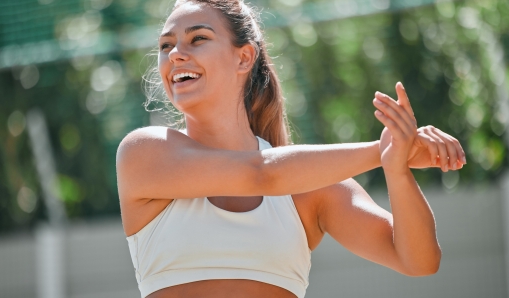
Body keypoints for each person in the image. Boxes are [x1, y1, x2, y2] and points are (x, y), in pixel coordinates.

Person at [116, 1, 466, 297]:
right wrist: (384, 150)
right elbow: (261, 173)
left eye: (198, 38)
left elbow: (418, 261)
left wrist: (397, 169)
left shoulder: (312, 184)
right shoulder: (144, 153)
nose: (176, 54)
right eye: (166, 46)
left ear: (244, 58)